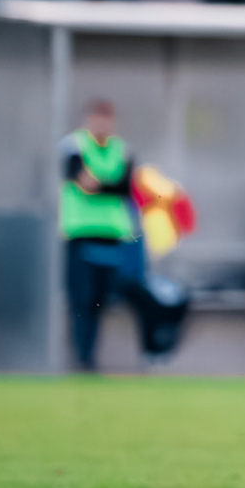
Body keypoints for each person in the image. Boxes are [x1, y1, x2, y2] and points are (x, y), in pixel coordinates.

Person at [59, 100, 174, 371]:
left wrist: (101, 183)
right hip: (81, 234)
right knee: (82, 301)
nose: (101, 124)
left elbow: (124, 187)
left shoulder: (121, 149)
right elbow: (85, 183)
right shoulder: (73, 147)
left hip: (114, 237)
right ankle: (82, 359)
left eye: (106, 119)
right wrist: (108, 184)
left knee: (106, 300)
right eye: (96, 118)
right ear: (87, 120)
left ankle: (140, 355)